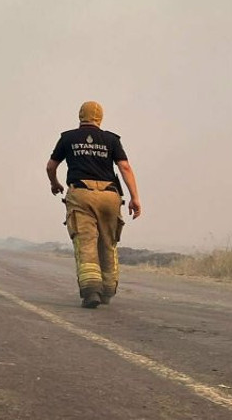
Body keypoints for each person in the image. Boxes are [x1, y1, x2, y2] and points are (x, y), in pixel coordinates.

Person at [46, 101, 142, 308]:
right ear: (100, 118)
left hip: (81, 195)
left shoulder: (68, 138)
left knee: (86, 241)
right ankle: (107, 289)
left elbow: (50, 166)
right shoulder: (111, 139)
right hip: (110, 195)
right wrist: (135, 198)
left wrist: (55, 184)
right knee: (108, 242)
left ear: (80, 115)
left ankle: (91, 291)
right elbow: (124, 167)